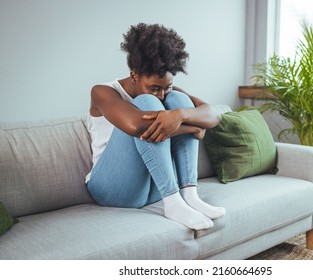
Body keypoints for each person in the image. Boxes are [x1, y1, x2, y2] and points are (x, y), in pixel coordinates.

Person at [85, 23, 225, 230]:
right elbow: (137, 126)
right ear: (134, 75)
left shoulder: (167, 90)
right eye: (154, 88)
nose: (161, 94)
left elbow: (213, 114)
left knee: (179, 99)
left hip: (152, 188)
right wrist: (193, 127)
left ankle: (189, 195)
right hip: (111, 188)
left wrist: (180, 114)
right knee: (146, 105)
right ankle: (173, 203)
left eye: (165, 87)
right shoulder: (102, 92)